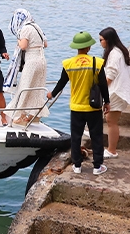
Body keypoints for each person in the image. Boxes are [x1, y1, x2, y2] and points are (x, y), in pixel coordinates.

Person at [47, 32, 111, 175]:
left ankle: (77, 165)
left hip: (76, 107)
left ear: (76, 47)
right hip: (93, 107)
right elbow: (103, 86)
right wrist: (107, 102)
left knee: (76, 137)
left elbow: (61, 83)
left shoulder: (68, 64)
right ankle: (97, 167)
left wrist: (52, 94)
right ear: (88, 47)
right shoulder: (97, 62)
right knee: (96, 136)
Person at [3, 8, 48, 127]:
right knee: (37, 88)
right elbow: (45, 44)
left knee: (24, 86)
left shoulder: (25, 28)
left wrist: (18, 39)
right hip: (42, 60)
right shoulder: (36, 26)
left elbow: (23, 46)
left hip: (32, 61)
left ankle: (20, 116)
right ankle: (35, 116)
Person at [100, 27, 130, 159]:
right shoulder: (119, 51)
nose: (100, 42)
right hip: (119, 89)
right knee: (110, 119)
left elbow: (110, 75)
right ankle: (110, 148)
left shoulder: (114, 54)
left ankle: (112, 150)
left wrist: (100, 88)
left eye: (101, 40)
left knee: (111, 121)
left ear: (108, 40)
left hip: (117, 91)